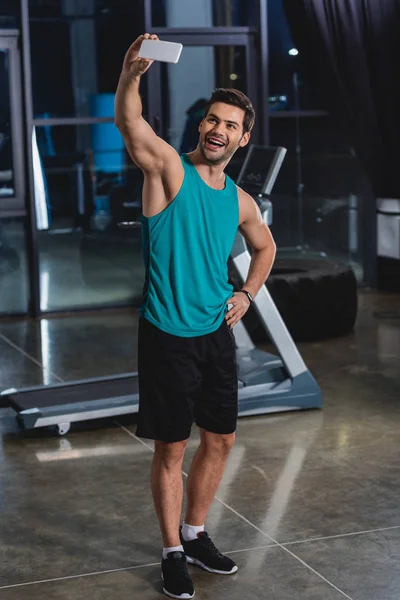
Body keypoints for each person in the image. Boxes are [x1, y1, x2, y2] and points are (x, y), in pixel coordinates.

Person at [115, 33, 276, 600]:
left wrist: (247, 294)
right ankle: (172, 552)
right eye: (212, 120)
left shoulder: (238, 199)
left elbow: (266, 248)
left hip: (214, 333)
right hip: (166, 336)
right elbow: (132, 125)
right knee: (171, 449)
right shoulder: (167, 171)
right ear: (201, 125)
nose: (218, 130)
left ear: (243, 138)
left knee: (223, 440)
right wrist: (132, 74)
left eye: (230, 125)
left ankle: (197, 531)